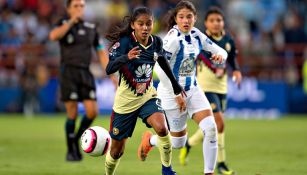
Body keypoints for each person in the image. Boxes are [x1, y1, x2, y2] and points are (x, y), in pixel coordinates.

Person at [138, 1, 228, 175]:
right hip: (171, 94)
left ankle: (208, 172)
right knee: (178, 143)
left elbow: (221, 51)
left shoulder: (196, 34)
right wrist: (176, 92)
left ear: (195, 18)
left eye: (189, 16)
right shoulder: (172, 39)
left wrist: (220, 57)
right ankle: (151, 141)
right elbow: (158, 68)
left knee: (210, 128)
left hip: (193, 90)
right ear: (176, 19)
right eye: (181, 17)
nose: (185, 20)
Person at [104, 7, 185, 175]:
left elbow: (162, 60)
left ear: (153, 24)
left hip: (147, 96)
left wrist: (175, 85)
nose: (145, 27)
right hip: (125, 103)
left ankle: (167, 170)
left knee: (162, 128)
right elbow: (109, 68)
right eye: (140, 24)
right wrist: (126, 57)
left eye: (148, 23)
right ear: (133, 25)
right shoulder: (124, 42)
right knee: (116, 151)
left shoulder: (156, 42)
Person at [179, 7, 242, 175]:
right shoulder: (200, 38)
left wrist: (236, 71)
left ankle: (189, 144)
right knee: (219, 123)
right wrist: (215, 67)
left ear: (223, 22)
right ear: (206, 23)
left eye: (219, 20)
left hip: (222, 88)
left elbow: (233, 58)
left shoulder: (228, 39)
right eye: (212, 20)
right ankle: (221, 165)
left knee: (212, 126)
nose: (216, 23)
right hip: (204, 88)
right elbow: (202, 56)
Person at [49, 0, 111, 161]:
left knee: (92, 111)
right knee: (72, 113)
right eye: (75, 6)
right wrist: (71, 21)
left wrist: (111, 75)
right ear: (68, 9)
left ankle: (75, 140)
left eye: (82, 6)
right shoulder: (63, 24)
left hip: (85, 72)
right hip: (68, 72)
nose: (79, 9)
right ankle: (71, 150)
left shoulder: (91, 29)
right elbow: (53, 36)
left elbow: (101, 52)